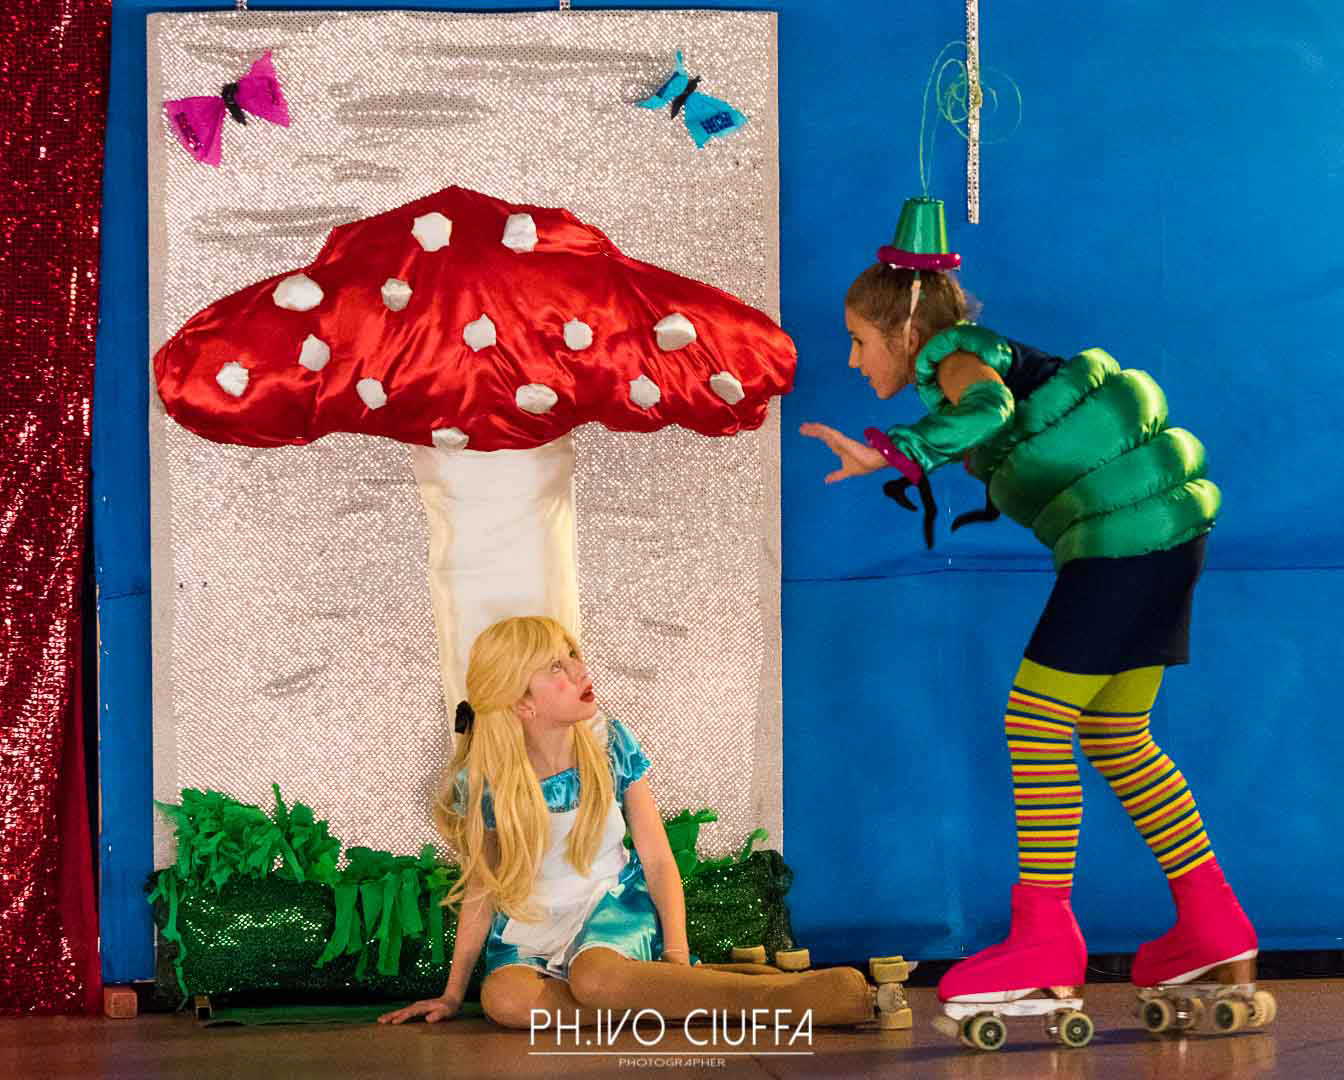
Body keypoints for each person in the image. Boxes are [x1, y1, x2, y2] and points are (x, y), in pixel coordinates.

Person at [800, 196, 1262, 1029]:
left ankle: (1046, 938)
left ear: (906, 331)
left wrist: (893, 450)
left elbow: (988, 412)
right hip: (1163, 533)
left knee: (1036, 717)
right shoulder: (975, 356)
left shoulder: (955, 357)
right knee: (1116, 734)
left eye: (860, 341)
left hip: (1123, 536)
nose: (854, 359)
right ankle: (1212, 923)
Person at [379, 615, 873, 1028]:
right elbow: (482, 889)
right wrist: (452, 994)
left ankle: (774, 1001)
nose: (580, 668)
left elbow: (656, 860)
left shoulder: (609, 746)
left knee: (594, 976)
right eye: (557, 666)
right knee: (503, 1000)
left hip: (610, 909)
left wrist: (676, 955)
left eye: (573, 654)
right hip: (534, 927)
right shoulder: (486, 782)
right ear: (522, 703)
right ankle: (685, 992)